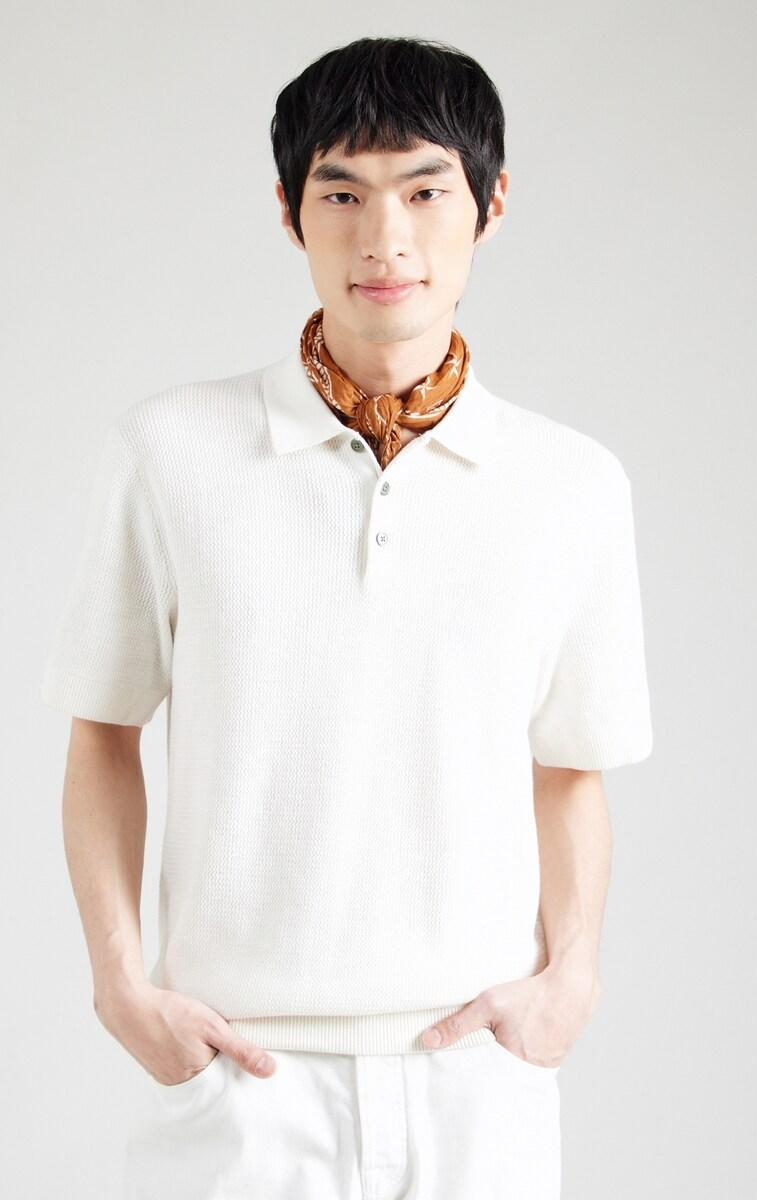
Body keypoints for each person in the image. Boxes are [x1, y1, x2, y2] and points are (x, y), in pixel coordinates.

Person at [40, 34, 653, 1200]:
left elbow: (572, 766)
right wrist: (122, 986)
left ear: (491, 204)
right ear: (290, 213)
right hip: (240, 1080)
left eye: (425, 191)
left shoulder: (571, 484)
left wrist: (570, 978)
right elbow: (102, 731)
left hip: (476, 1082)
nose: (385, 237)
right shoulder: (170, 452)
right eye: (342, 194)